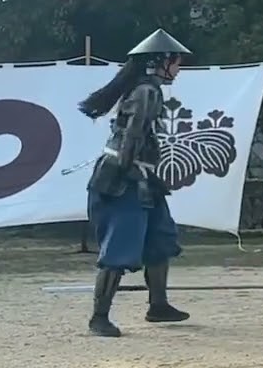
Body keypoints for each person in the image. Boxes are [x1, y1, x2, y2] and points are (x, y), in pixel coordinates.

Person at [79, 28, 193, 338]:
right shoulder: (147, 91)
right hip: (123, 177)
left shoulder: (147, 88)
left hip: (139, 175)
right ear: (161, 61)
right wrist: (128, 171)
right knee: (119, 244)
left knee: (160, 237)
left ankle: (158, 305)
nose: (179, 67)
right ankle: (98, 317)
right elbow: (133, 134)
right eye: (176, 61)